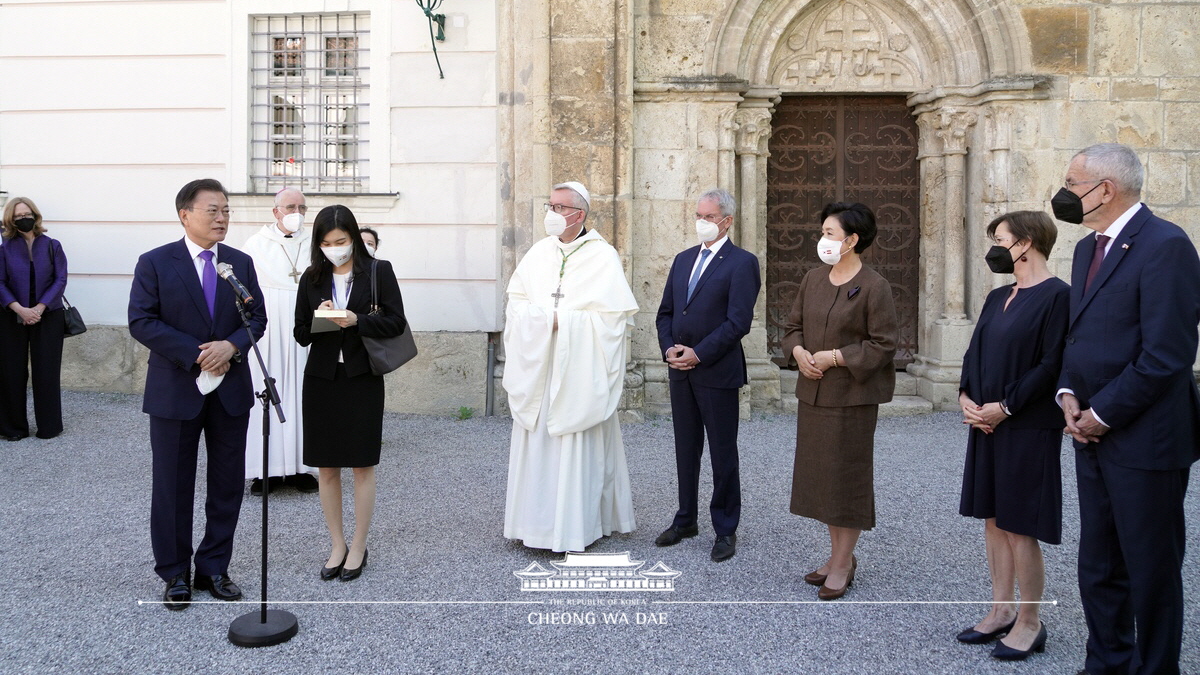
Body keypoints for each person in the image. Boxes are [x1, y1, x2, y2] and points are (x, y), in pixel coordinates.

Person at [1054, 143, 1200, 675]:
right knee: (1099, 563)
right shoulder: (1085, 248)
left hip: (1145, 439)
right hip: (1089, 431)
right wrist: (1068, 394)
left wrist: (1103, 413)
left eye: (1071, 183)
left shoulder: (1166, 245)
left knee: (1151, 568)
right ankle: (1107, 661)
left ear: (1105, 189)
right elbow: (1081, 335)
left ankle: (1156, 668)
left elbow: (1168, 355)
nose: (1064, 192)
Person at [128, 179, 266, 610]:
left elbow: (256, 316)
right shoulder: (155, 262)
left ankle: (214, 568)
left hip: (231, 389)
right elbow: (141, 321)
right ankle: (174, 573)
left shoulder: (239, 263)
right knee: (172, 484)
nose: (222, 218)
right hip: (175, 389)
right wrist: (198, 355)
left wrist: (231, 346)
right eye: (213, 210)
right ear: (185, 214)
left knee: (227, 483)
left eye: (225, 210)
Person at [956, 211, 1069, 661]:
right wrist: (966, 395)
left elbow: (1051, 363)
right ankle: (1001, 609)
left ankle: (1030, 621)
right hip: (985, 422)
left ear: (1026, 243)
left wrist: (1004, 407)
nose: (995, 248)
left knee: (1020, 526)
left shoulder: (1059, 296)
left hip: (1026, 424)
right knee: (993, 518)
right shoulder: (997, 296)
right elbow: (975, 349)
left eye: (1000, 239)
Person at [502, 181, 638, 552]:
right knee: (539, 444)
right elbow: (515, 302)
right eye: (550, 205)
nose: (552, 213)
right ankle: (533, 525)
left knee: (575, 446)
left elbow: (613, 322)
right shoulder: (538, 253)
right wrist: (541, 322)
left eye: (559, 207)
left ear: (579, 214)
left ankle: (576, 528)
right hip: (540, 370)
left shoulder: (602, 256)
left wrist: (568, 323)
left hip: (578, 373)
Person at [781, 202, 897, 600]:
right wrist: (798, 354)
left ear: (852, 240)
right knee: (822, 481)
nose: (823, 239)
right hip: (813, 394)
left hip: (852, 397)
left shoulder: (874, 286)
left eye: (830, 233)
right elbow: (792, 327)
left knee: (846, 480)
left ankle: (844, 562)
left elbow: (883, 344)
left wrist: (835, 357)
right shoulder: (813, 279)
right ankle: (835, 555)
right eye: (824, 231)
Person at [294, 205, 406, 582]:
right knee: (326, 466)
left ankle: (359, 544)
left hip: (362, 377)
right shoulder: (311, 278)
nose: (334, 249)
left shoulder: (378, 270)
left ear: (354, 238)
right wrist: (320, 318)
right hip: (322, 379)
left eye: (340, 241)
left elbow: (395, 321)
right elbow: (300, 334)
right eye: (326, 243)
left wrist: (358, 320)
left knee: (361, 464)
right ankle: (337, 543)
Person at [653, 188, 761, 562]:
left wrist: (698, 354)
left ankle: (725, 528)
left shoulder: (742, 263)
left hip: (716, 372)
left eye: (709, 217)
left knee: (722, 452)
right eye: (698, 215)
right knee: (686, 449)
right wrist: (669, 349)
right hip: (679, 371)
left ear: (727, 221)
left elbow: (738, 322)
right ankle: (686, 519)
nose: (702, 222)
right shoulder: (683, 260)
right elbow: (666, 312)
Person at [241, 187, 318, 495]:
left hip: (304, 328)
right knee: (267, 389)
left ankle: (303, 467)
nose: (295, 212)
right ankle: (266, 472)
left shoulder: (315, 244)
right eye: (289, 206)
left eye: (301, 206)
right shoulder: (255, 245)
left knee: (304, 392)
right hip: (268, 329)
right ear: (275, 211)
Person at [0, 197, 68, 441]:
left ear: (35, 215)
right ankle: (13, 429)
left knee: (47, 371)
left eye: (26, 214)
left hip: (48, 315)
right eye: (17, 216)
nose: (22, 219)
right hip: (9, 316)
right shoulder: (4, 247)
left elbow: (60, 279)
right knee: (11, 372)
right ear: (10, 219)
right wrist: (20, 309)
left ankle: (49, 427)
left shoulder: (52, 245)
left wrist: (38, 308)